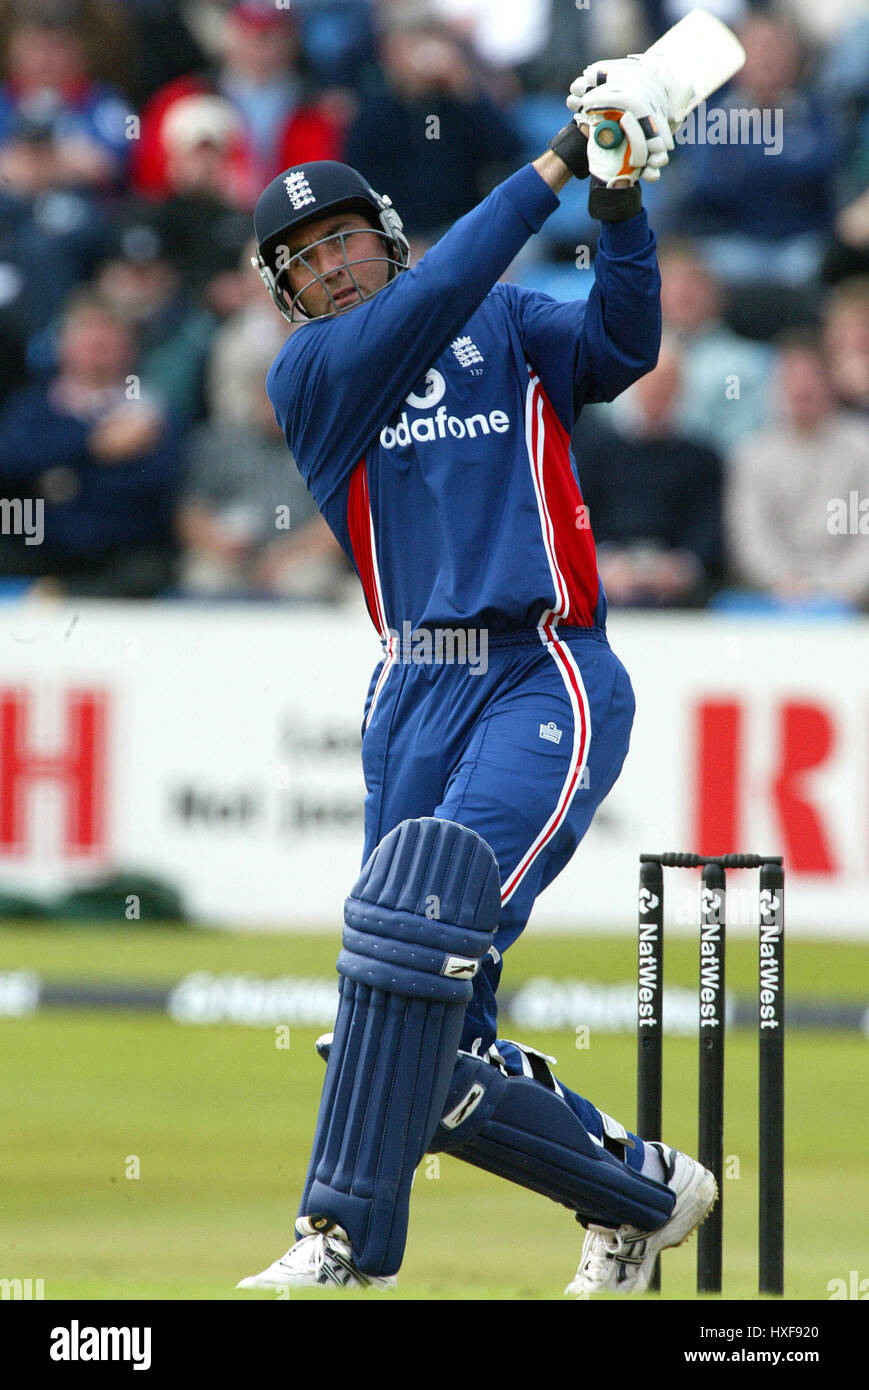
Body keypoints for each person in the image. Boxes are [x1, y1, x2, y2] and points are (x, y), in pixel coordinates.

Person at [237, 50, 717, 1298]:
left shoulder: (502, 324)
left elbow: (623, 344)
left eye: (345, 242)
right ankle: (641, 1194)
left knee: (409, 947)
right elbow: (445, 285)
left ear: (383, 238)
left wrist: (615, 197)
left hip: (538, 668)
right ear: (287, 296)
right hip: (409, 695)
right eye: (305, 262)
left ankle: (336, 1245)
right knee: (408, 1037)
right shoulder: (312, 377)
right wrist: (555, 158)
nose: (331, 267)